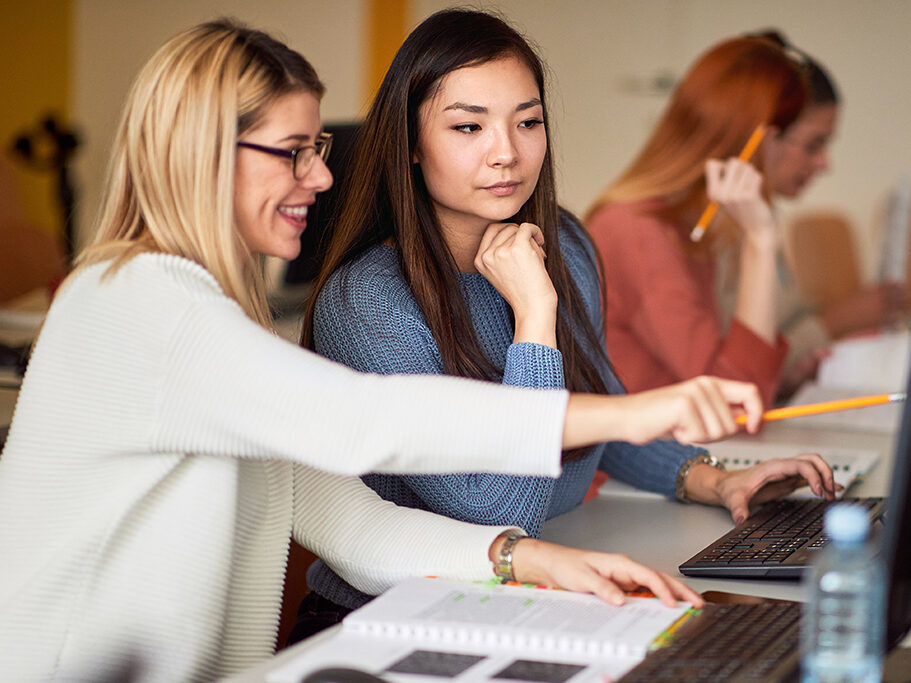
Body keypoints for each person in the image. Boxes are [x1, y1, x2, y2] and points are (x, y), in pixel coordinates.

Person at [0, 19, 780, 683]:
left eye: (318, 148)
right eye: (293, 151)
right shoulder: (138, 301)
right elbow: (362, 420)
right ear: (203, 151)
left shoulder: (206, 312)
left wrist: (528, 559)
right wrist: (638, 406)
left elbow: (352, 522)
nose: (320, 173)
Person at [299, 9, 836, 642]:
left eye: (528, 122)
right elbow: (503, 513)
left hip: (520, 595)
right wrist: (534, 316)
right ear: (412, 143)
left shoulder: (566, 245)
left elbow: (601, 412)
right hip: (389, 622)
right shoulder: (368, 302)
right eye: (469, 126)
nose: (507, 153)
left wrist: (716, 479)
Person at [585, 36, 808, 406]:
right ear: (763, 140)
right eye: (801, 140)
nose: (820, 163)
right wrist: (760, 239)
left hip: (671, 451)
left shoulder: (677, 226)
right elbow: (734, 405)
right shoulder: (639, 231)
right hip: (642, 461)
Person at [744, 30, 909, 396]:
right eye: (814, 144)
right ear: (763, 138)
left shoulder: (764, 215)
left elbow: (782, 328)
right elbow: (735, 376)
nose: (824, 164)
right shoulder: (721, 234)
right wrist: (835, 321)